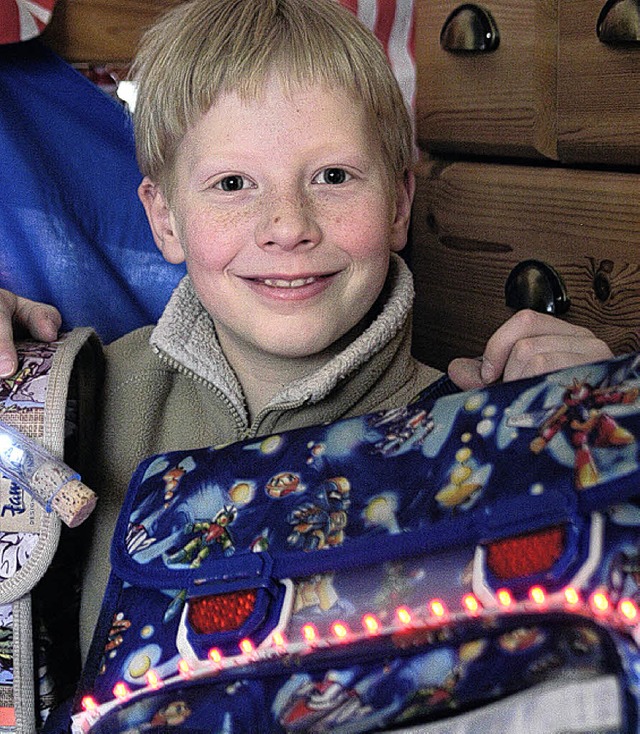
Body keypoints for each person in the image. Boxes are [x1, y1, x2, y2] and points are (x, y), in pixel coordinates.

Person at [0, 0, 612, 675]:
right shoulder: (64, 403)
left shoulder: (486, 430)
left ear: (400, 205)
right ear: (166, 219)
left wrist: (605, 448)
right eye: (233, 184)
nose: (287, 225)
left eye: (333, 177)